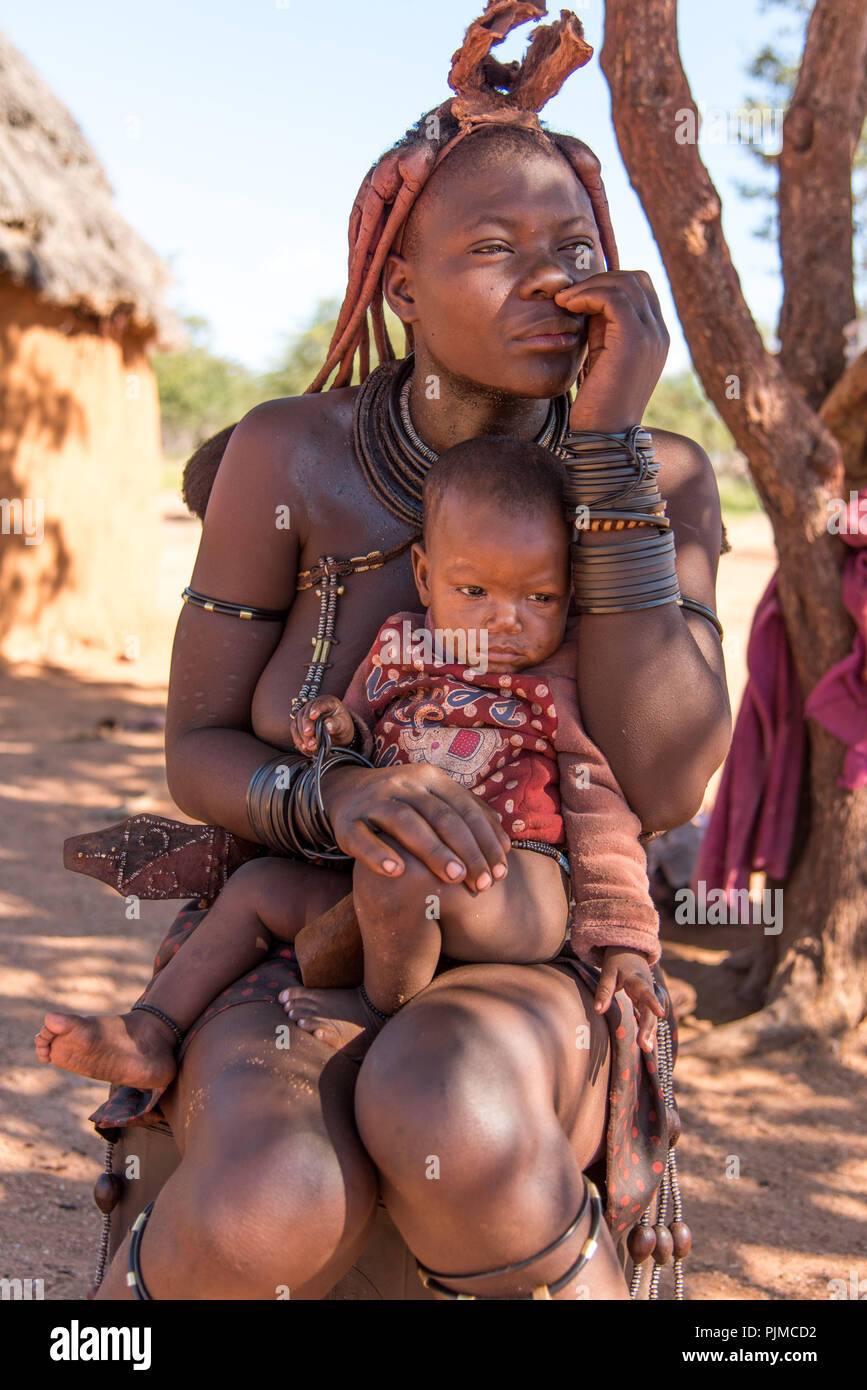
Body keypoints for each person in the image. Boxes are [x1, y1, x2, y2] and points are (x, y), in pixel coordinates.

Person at [62, 4, 731, 1300]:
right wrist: (344, 797)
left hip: (529, 944)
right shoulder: (290, 456)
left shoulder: (660, 474)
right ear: (403, 286)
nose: (550, 281)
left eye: (575, 249)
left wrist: (604, 453)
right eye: (494, 248)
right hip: (300, 926)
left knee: (452, 1110)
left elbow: (664, 780)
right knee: (269, 1197)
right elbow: (197, 751)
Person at [37, 439, 665, 1081]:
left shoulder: (565, 679)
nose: (505, 621)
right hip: (371, 884)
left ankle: (375, 1009)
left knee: (402, 870)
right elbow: (362, 740)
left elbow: (601, 808)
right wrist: (337, 730)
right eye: (474, 590)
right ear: (425, 576)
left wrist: (623, 939)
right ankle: (149, 1030)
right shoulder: (399, 647)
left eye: (541, 598)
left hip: (507, 886)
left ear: (572, 590)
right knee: (257, 888)